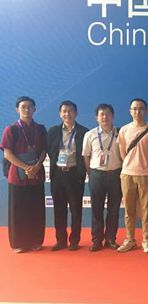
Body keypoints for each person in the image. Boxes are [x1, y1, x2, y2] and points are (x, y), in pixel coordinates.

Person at [1, 96, 47, 253]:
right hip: (17, 176)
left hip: (36, 174)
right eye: (23, 107)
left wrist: (37, 166)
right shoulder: (11, 129)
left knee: (36, 209)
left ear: (34, 109)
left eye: (30, 107)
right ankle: (18, 243)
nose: (27, 109)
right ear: (17, 109)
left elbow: (44, 150)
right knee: (18, 211)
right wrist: (26, 167)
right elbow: (7, 154)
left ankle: (35, 241)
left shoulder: (40, 129)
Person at [117, 98, 148, 253]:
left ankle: (146, 239)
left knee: (146, 208)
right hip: (127, 174)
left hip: (145, 174)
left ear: (146, 111)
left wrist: (144, 165)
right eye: (134, 109)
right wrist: (130, 164)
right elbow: (122, 153)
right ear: (130, 111)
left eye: (141, 108)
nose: (137, 111)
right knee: (129, 209)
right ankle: (130, 239)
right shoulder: (124, 130)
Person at [47, 100, 89, 251]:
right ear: (60, 114)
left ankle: (74, 241)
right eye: (64, 111)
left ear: (76, 113)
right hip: (58, 175)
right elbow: (49, 151)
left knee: (76, 210)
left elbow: (86, 153)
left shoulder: (84, 132)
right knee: (59, 209)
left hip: (74, 174)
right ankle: (61, 241)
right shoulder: (53, 131)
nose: (67, 114)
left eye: (70, 111)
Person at [82, 104, 123, 251]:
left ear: (113, 116)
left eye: (107, 114)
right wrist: (91, 173)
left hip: (115, 174)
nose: (105, 117)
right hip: (96, 175)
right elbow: (86, 156)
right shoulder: (90, 134)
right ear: (96, 117)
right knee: (96, 209)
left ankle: (111, 239)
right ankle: (96, 240)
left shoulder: (120, 133)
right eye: (101, 114)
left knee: (114, 209)